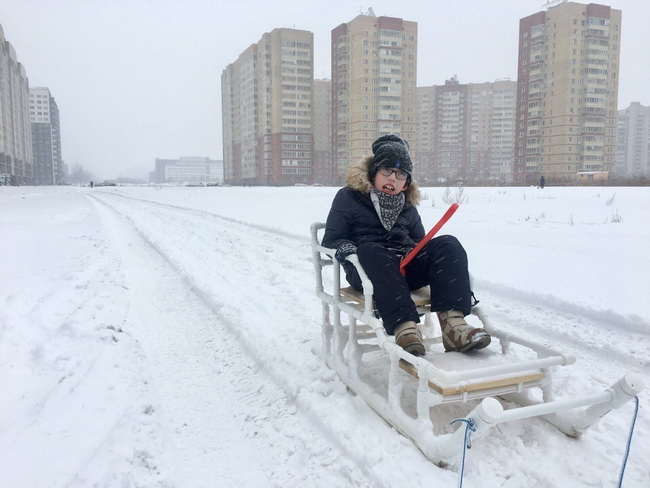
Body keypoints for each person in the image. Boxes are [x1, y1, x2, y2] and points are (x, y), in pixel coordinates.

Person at [322, 135, 491, 356]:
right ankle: (405, 328)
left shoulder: (408, 205)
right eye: (387, 170)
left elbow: (420, 242)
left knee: (448, 244)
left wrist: (418, 252)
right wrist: (346, 250)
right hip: (366, 270)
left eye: (401, 173)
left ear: (407, 182)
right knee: (371, 248)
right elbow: (331, 239)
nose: (393, 177)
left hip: (404, 268)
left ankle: (454, 326)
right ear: (374, 172)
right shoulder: (349, 197)